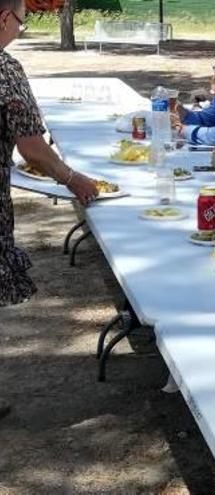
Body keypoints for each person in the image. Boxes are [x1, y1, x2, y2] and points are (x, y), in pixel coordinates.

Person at [1, 0, 98, 307]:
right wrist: (72, 178)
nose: (19, 29)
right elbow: (31, 148)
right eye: (21, 21)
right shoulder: (6, 70)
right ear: (4, 18)